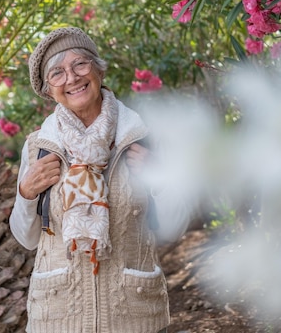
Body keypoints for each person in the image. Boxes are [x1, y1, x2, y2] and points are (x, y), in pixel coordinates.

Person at [9, 26, 172, 333]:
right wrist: (26, 193)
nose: (71, 78)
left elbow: (175, 222)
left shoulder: (143, 137)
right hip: (59, 317)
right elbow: (26, 238)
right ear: (48, 90)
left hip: (133, 316)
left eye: (80, 64)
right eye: (57, 73)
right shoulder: (39, 147)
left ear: (98, 69)